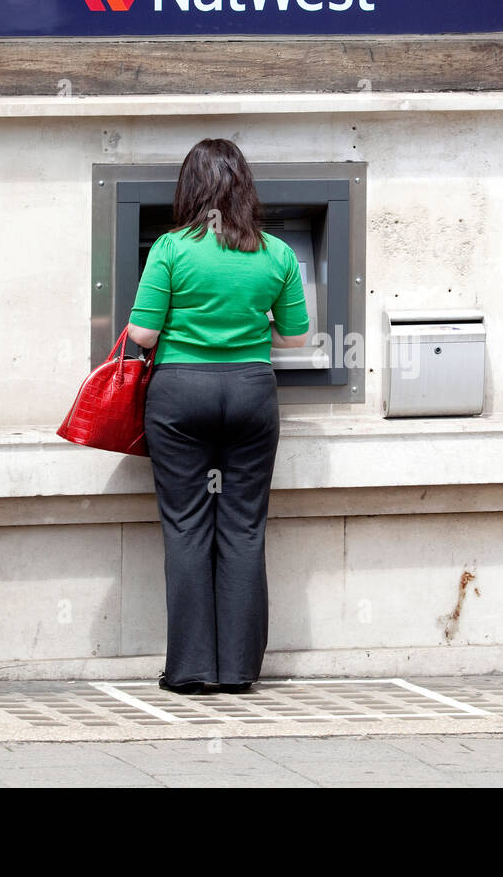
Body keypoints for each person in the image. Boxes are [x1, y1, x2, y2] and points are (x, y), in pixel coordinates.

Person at [126, 138, 310, 695]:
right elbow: (297, 338)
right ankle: (238, 671)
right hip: (251, 394)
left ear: (190, 188)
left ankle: (190, 669)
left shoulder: (170, 248)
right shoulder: (277, 253)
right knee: (244, 527)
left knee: (186, 526)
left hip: (180, 395)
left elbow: (142, 335)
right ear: (245, 189)